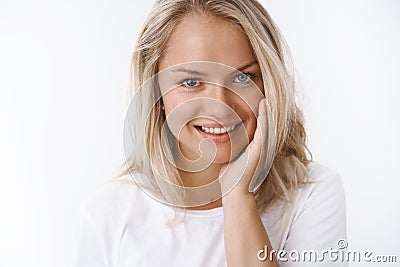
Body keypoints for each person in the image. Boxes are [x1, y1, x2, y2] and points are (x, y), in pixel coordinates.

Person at [73, 0, 347, 266]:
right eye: (191, 82)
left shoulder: (311, 195)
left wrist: (237, 196)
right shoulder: (107, 213)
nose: (220, 107)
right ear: (155, 90)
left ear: (269, 82)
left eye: (243, 77)